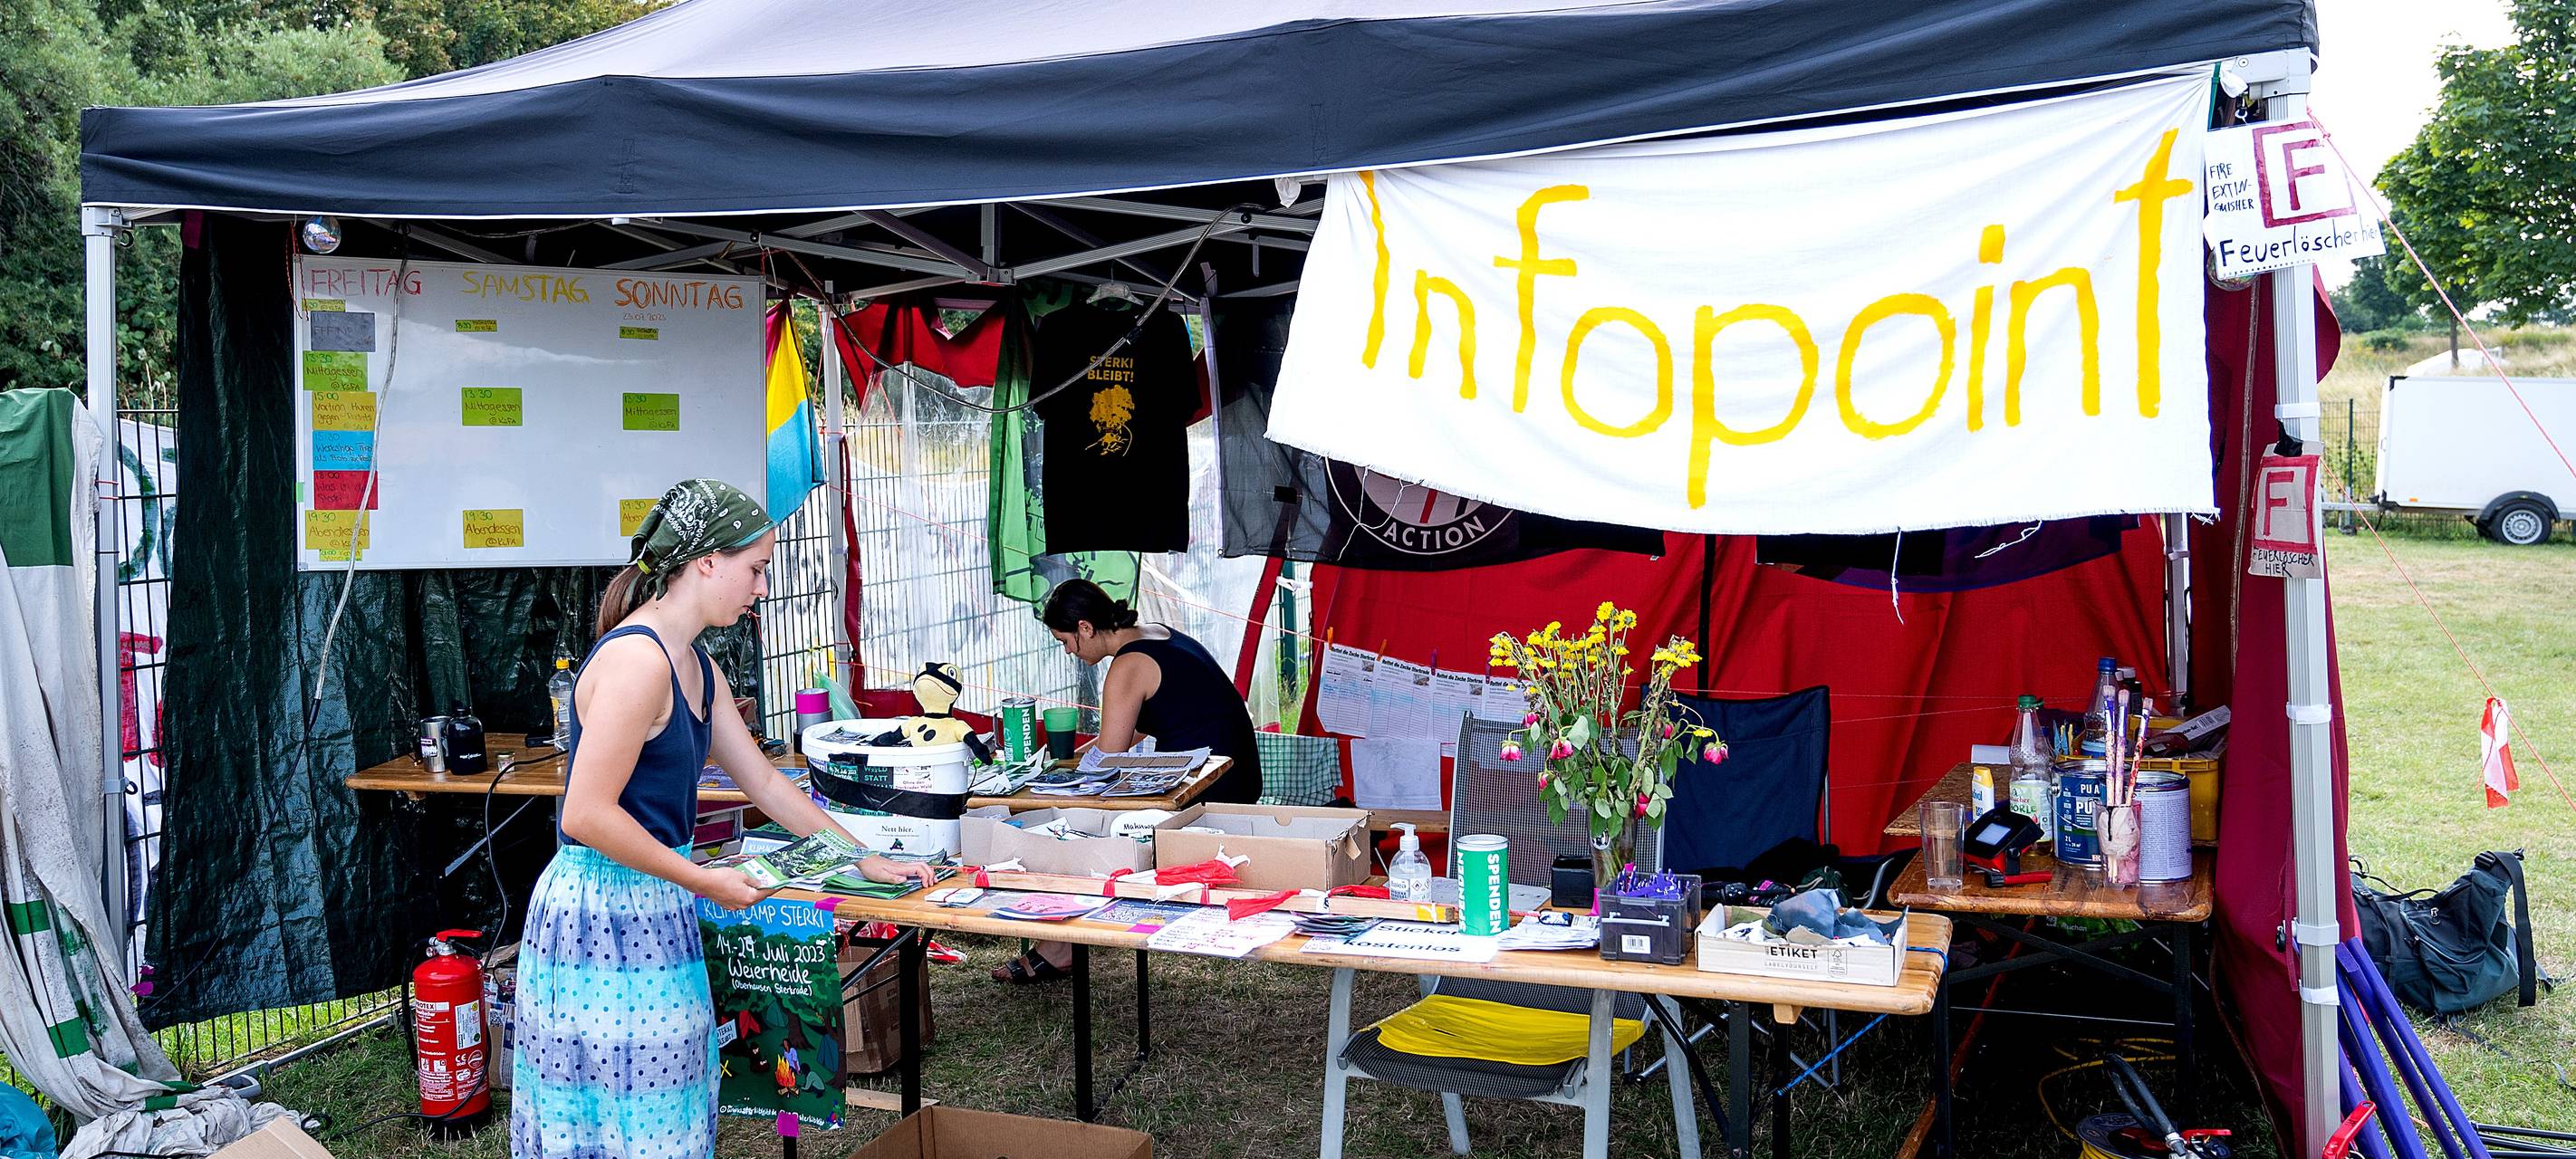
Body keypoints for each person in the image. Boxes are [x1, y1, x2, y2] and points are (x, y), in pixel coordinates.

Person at [511, 479, 933, 1159]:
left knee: (668, 1098)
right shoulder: (636, 662)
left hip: (658, 896)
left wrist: (862, 858)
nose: (762, 588)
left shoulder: (697, 666)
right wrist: (703, 880)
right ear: (706, 560)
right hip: (602, 912)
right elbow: (586, 814)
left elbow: (763, 781)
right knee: (617, 1109)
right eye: (756, 569)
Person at [992, 579, 1264, 984]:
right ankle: (1065, 936)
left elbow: (1109, 757)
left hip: (1208, 788)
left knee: (1077, 826)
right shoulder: (1156, 634)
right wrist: (1070, 759)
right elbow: (1136, 726)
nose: (1069, 652)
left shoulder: (1127, 665)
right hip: (1237, 773)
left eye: (1066, 641)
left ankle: (1061, 945)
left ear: (1085, 628)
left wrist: (1061, 778)